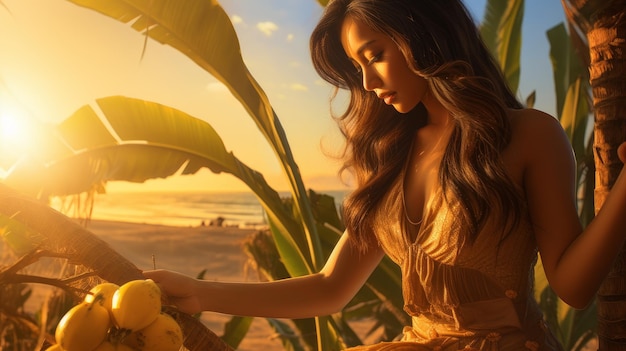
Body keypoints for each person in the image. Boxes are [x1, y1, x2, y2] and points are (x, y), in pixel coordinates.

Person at [144, 0, 626, 349]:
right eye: (358, 67)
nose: (369, 84)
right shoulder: (392, 156)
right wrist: (200, 292)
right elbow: (331, 287)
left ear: (422, 31)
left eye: (374, 55)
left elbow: (572, 286)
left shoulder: (527, 135)